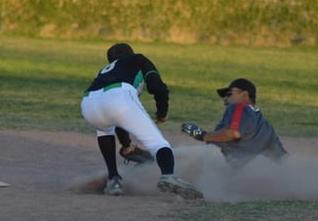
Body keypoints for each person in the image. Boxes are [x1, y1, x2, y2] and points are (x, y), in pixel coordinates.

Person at [81, 43, 203, 199]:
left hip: (88, 103)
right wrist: (162, 112)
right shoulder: (138, 59)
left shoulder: (104, 71)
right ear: (129, 53)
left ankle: (114, 180)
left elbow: (118, 118)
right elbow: (157, 87)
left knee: (105, 128)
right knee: (159, 143)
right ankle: (168, 176)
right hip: (119, 97)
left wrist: (126, 145)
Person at [182, 78, 288, 169]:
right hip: (239, 174)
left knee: (174, 157)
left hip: (220, 163)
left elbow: (234, 133)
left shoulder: (239, 106)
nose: (225, 98)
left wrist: (201, 135)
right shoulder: (267, 128)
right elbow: (283, 159)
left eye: (229, 94)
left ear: (244, 94)